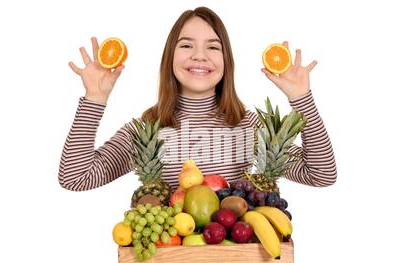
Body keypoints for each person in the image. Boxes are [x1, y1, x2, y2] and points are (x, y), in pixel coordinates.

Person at [59, 6, 337, 193]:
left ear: (226, 61)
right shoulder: (146, 130)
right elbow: (75, 178)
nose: (199, 56)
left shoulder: (248, 127)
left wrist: (302, 98)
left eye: (213, 47)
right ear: (170, 57)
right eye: (187, 45)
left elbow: (321, 175)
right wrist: (94, 99)